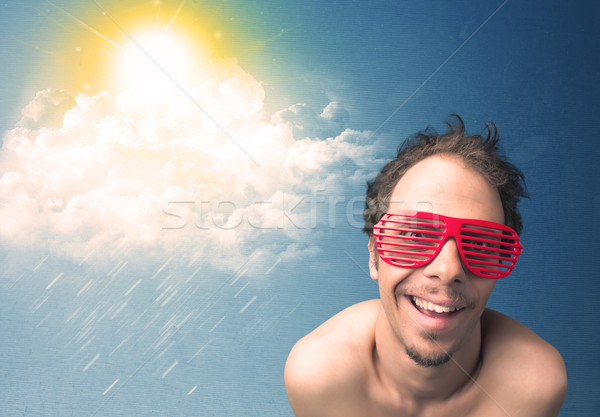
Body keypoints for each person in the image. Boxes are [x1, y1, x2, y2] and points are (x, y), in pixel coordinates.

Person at [284, 115, 567, 417]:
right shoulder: (319, 376)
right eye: (415, 235)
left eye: (480, 243)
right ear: (373, 256)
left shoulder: (534, 386)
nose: (447, 270)